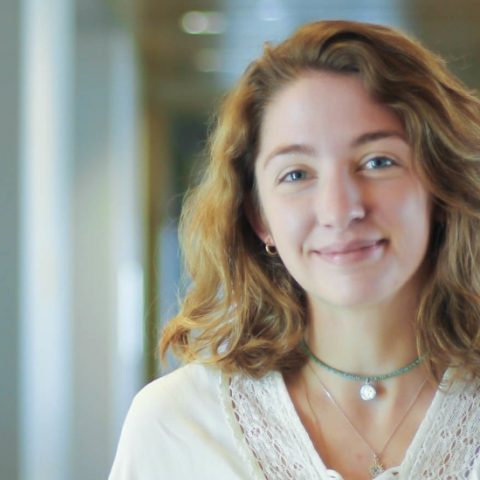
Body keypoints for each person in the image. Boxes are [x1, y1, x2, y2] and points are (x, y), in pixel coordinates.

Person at [109, 20, 480, 480]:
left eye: (378, 161)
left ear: (441, 186)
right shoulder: (175, 425)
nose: (340, 209)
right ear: (258, 217)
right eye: (296, 174)